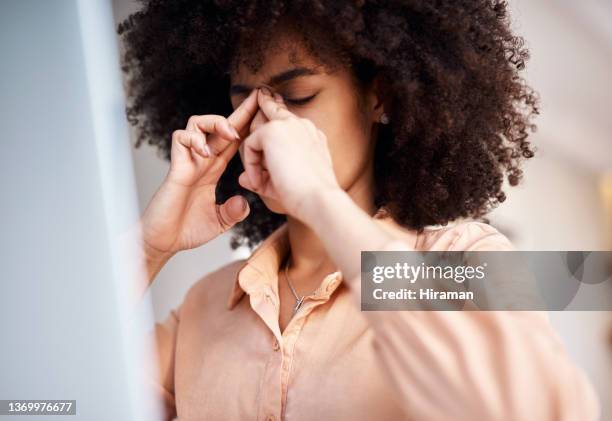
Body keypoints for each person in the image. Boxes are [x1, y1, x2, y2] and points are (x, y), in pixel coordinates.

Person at [117, 1, 599, 419]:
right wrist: (148, 246)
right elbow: (54, 403)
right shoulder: (206, 306)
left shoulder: (464, 258)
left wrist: (319, 198)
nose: (267, 130)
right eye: (245, 106)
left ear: (379, 98)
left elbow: (542, 410)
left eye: (299, 98)